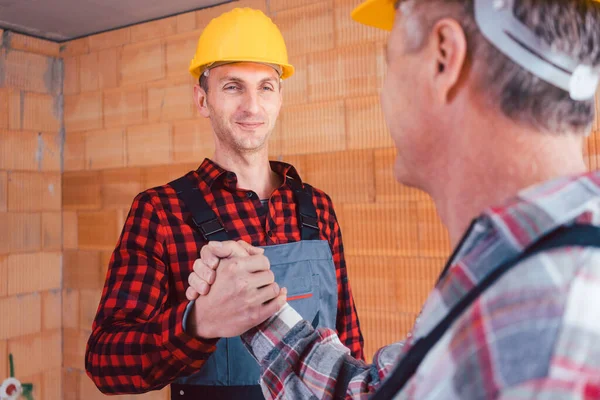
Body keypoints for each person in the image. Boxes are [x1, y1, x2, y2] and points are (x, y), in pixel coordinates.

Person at [188, 0, 600, 398]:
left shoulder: (546, 328)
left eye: (391, 60)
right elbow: (373, 391)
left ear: (444, 57)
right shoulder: (517, 269)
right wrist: (256, 306)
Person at [84, 7, 364, 399]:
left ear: (279, 98)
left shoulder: (317, 207)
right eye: (233, 87)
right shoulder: (162, 212)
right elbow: (105, 361)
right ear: (203, 100)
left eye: (265, 86)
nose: (252, 106)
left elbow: (348, 337)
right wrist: (196, 322)